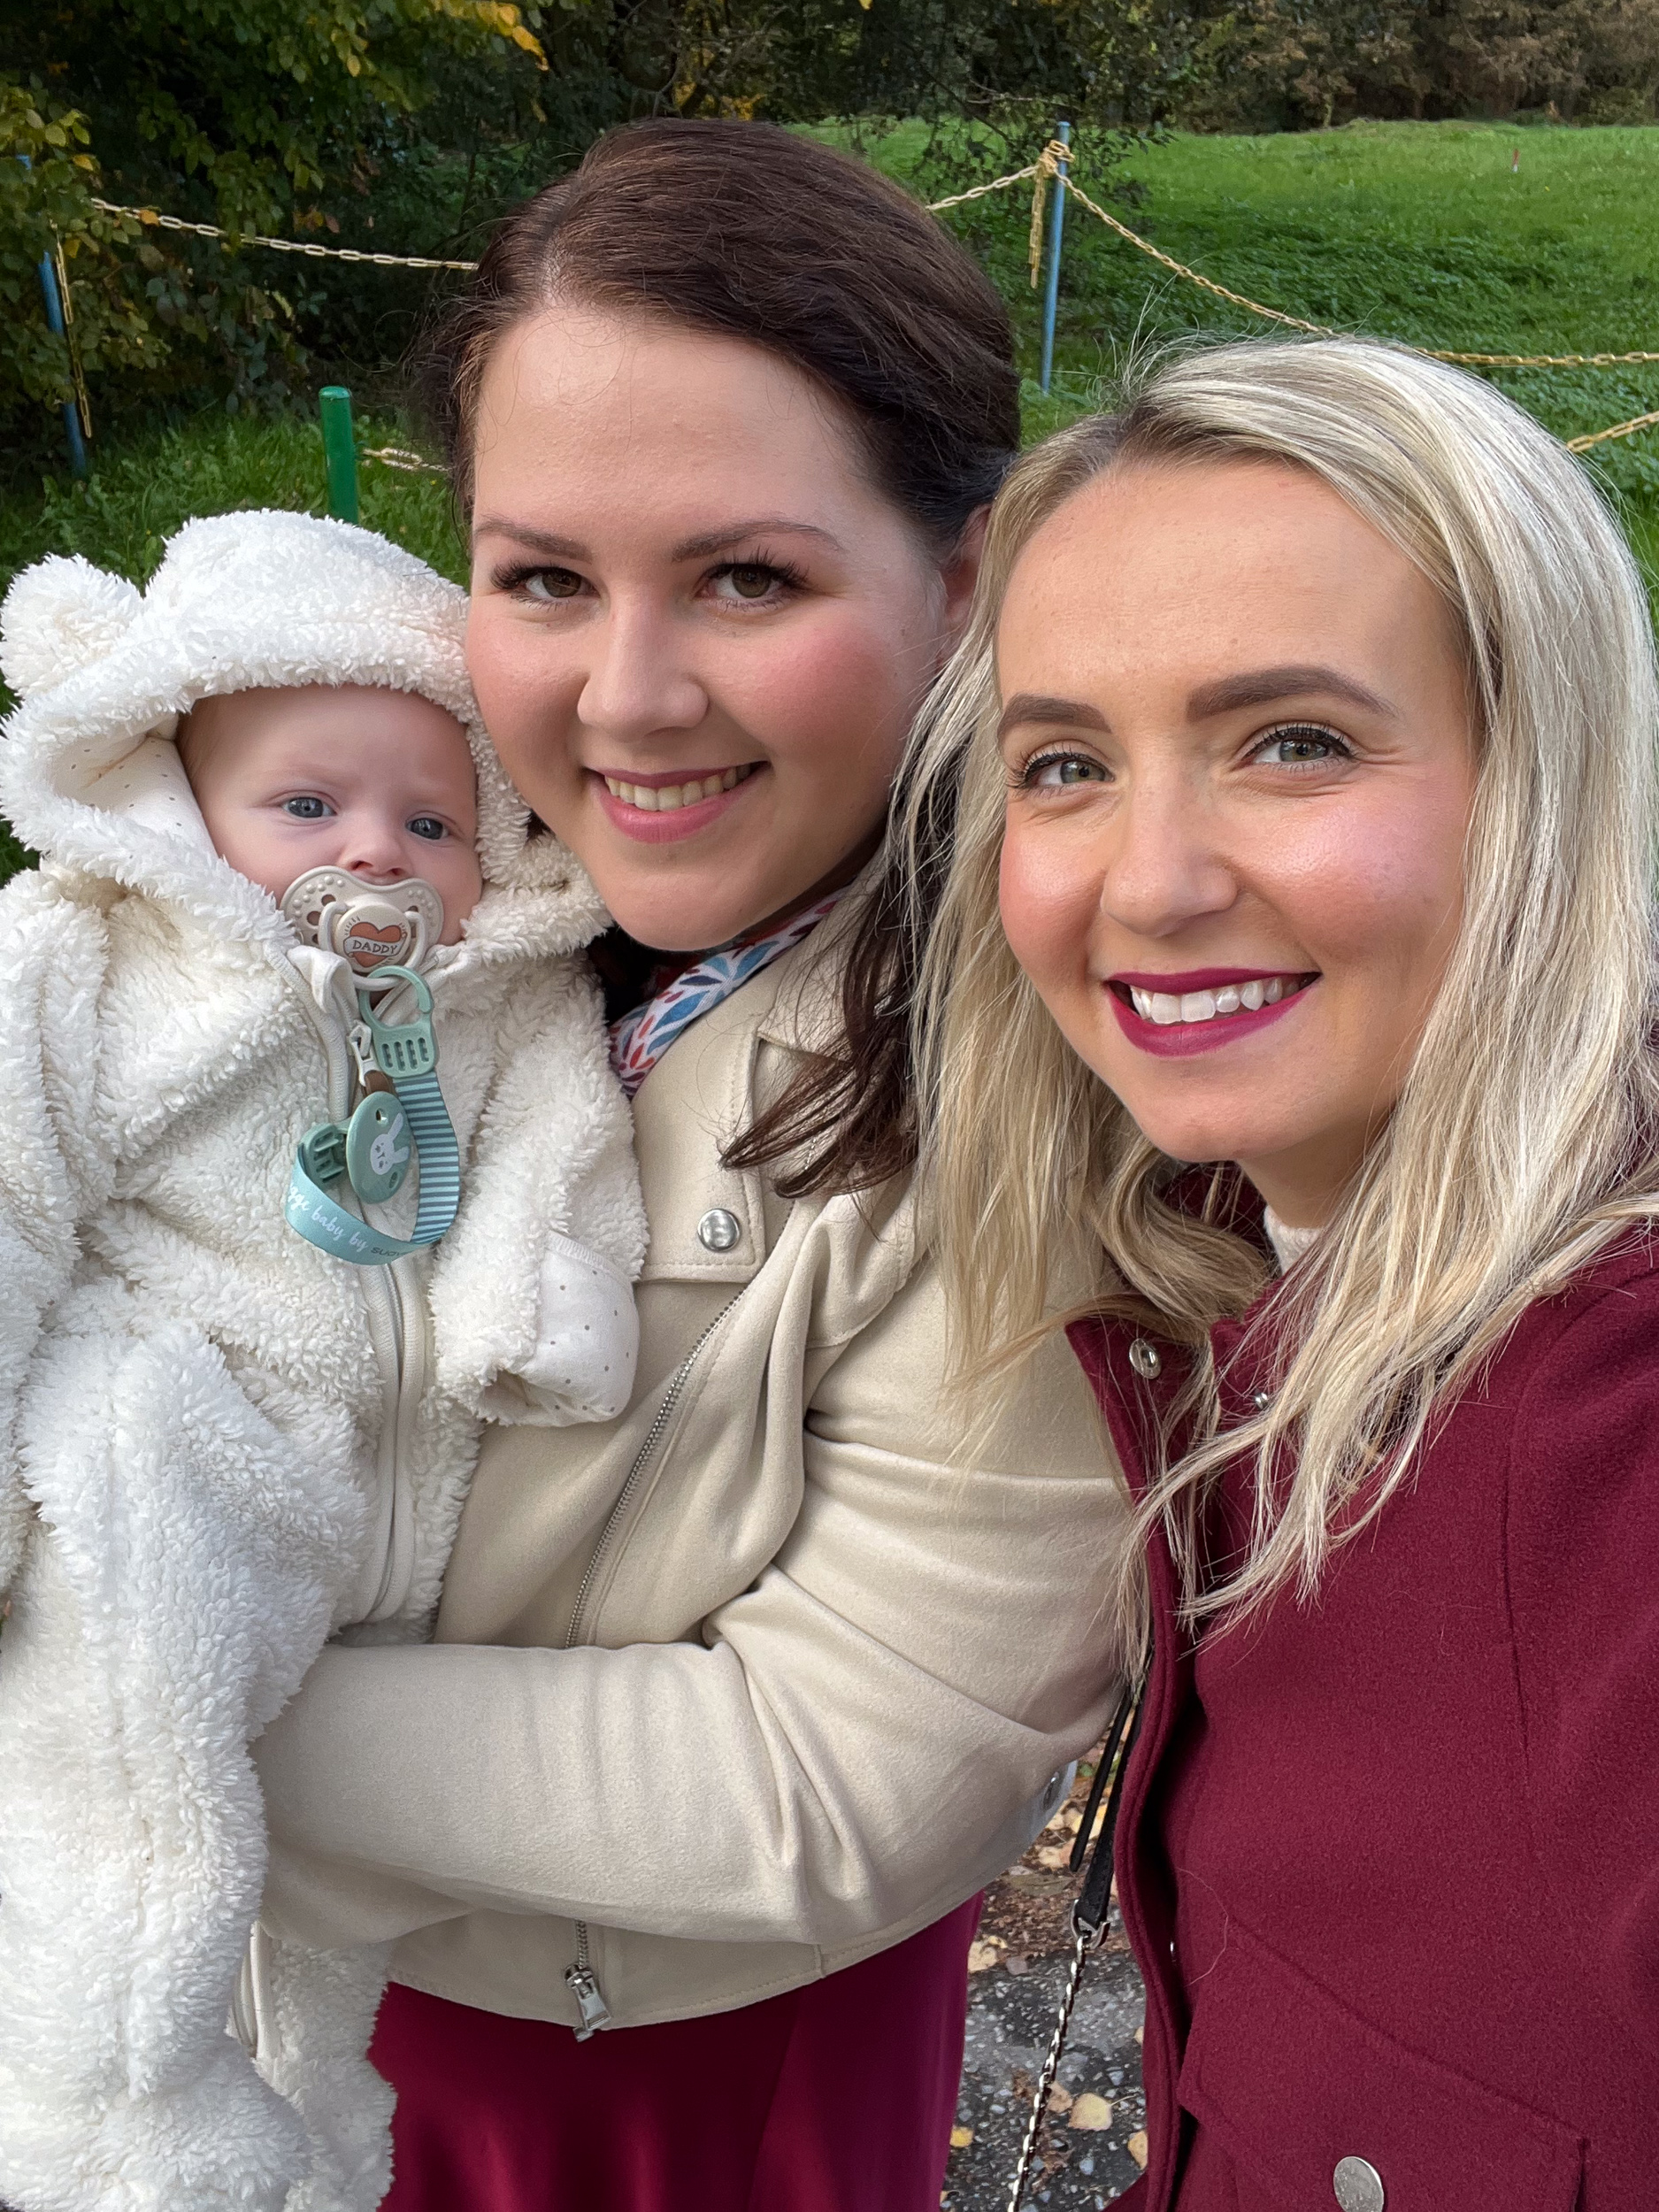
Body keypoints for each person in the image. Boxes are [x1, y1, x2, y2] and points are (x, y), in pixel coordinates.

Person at [246, 119, 1125, 2212]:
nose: (625, 701)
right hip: (270, 1982)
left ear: (963, 582)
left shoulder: (1033, 1076)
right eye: (543, 577)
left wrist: (145, 1690)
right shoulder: (397, 879)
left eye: (748, 576)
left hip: (651, 2067)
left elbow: (835, 1771)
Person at [910, 334, 1659, 2208]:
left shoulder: (1614, 1438)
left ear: (1542, 777)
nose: (1148, 880)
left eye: (1293, 742)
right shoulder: (1210, 1257)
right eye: (1064, 764)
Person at [0, 511, 644, 2212]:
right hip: (164, 1434)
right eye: (307, 806)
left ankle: (325, 2133)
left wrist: (533, 1307)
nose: (376, 850)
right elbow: (9, 1195)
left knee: (331, 1908)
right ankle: (110, 2132)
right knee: (133, 1803)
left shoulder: (501, 991)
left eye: (432, 821)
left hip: (393, 1486)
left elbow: (556, 1147)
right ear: (178, 804)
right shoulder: (84, 959)